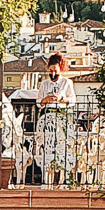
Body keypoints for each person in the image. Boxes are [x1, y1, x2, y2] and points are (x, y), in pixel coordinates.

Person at [32, 52, 76, 181]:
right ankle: (46, 174)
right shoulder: (44, 84)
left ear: (60, 69)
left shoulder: (67, 83)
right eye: (50, 70)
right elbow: (38, 102)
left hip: (61, 115)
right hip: (47, 116)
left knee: (61, 144)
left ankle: (62, 175)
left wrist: (62, 99)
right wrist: (45, 99)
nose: (52, 73)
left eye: (55, 70)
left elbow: (72, 100)